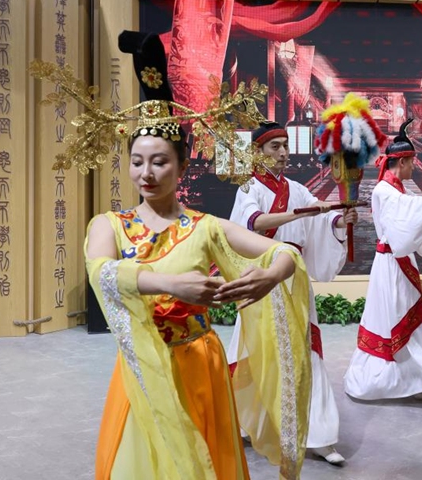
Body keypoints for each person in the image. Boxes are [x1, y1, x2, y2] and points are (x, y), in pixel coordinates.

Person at [84, 111, 313, 479]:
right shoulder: (109, 226)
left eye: (159, 162)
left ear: (182, 165)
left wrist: (270, 276)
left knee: (205, 457)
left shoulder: (206, 228)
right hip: (144, 362)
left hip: (200, 362)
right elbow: (101, 271)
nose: (147, 173)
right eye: (137, 162)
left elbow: (285, 253)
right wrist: (169, 284)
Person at [228, 121, 354, 465]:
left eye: (285, 145)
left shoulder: (297, 189)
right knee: (257, 351)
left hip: (294, 278)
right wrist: (305, 212)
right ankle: (248, 420)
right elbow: (252, 224)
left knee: (304, 352)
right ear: (258, 152)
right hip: (262, 276)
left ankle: (319, 434)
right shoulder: (248, 188)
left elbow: (320, 221)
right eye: (274, 147)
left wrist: (341, 221)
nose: (283, 152)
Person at [344, 119, 422, 402]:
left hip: (401, 264)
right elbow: (417, 210)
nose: (414, 167)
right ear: (400, 162)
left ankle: (420, 379)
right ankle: (399, 379)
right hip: (390, 266)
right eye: (412, 162)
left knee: (410, 321)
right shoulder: (383, 191)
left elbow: (418, 214)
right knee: (392, 319)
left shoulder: (398, 189)